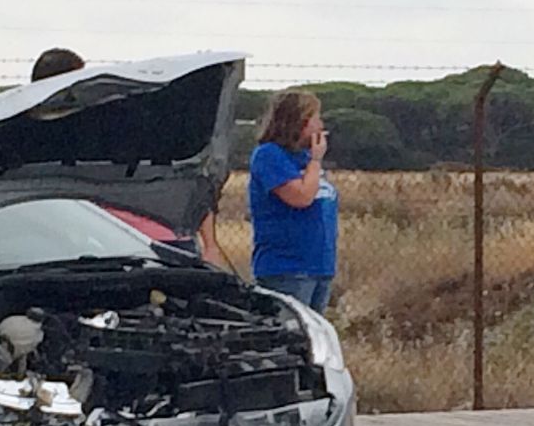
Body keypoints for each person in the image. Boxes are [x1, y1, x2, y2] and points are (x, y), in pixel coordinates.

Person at [30, 45, 233, 270]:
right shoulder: (56, 135)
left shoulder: (109, 125)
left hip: (145, 241)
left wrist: (210, 245)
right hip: (101, 244)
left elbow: (192, 184)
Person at [247, 90, 337, 312]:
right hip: (287, 268)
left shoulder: (304, 158)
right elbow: (301, 197)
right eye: (315, 118)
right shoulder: (270, 155)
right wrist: (316, 160)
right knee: (292, 336)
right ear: (299, 122)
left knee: (315, 339)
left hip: (318, 266)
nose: (320, 124)